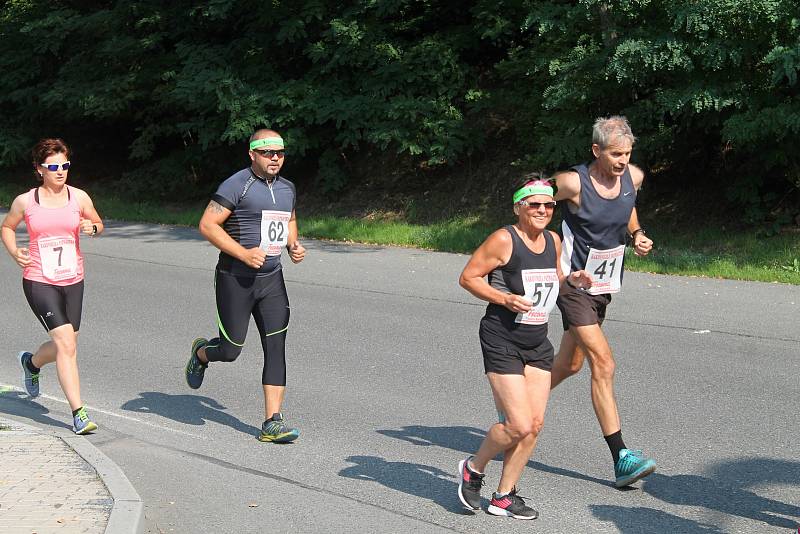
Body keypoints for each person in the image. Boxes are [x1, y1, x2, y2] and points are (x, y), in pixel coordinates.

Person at [457, 177, 592, 519]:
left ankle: (504, 495)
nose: (543, 210)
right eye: (534, 204)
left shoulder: (553, 240)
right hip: (502, 337)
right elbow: (468, 277)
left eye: (548, 205)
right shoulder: (504, 239)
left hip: (536, 340)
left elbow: (555, 280)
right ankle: (473, 468)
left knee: (534, 424)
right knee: (517, 424)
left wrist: (572, 280)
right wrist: (504, 298)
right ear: (518, 207)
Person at [550, 116, 657, 487]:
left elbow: (626, 207)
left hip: (603, 287)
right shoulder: (572, 183)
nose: (622, 161)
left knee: (569, 365)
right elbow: (531, 199)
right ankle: (622, 457)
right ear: (596, 150)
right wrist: (540, 250)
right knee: (604, 363)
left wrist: (638, 234)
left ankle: (520, 402)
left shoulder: (634, 178)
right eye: (614, 154)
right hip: (572, 287)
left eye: (627, 154)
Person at [185, 128, 306, 443]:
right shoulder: (237, 184)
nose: (275, 157)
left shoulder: (288, 187)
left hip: (272, 280)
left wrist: (294, 245)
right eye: (268, 152)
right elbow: (207, 224)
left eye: (279, 152)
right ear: (252, 154)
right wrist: (242, 253)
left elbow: (289, 220)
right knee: (230, 350)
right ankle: (201, 354)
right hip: (235, 279)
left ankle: (272, 422)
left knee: (276, 347)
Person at [1, 138, 104, 434]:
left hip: (73, 280)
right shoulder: (26, 201)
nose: (61, 171)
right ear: (39, 169)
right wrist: (13, 250)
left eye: (65, 165)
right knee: (66, 344)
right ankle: (79, 413)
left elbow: (98, 222)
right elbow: (7, 226)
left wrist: (92, 228)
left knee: (66, 345)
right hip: (39, 279)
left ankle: (31, 364)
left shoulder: (79, 197)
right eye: (54, 166)